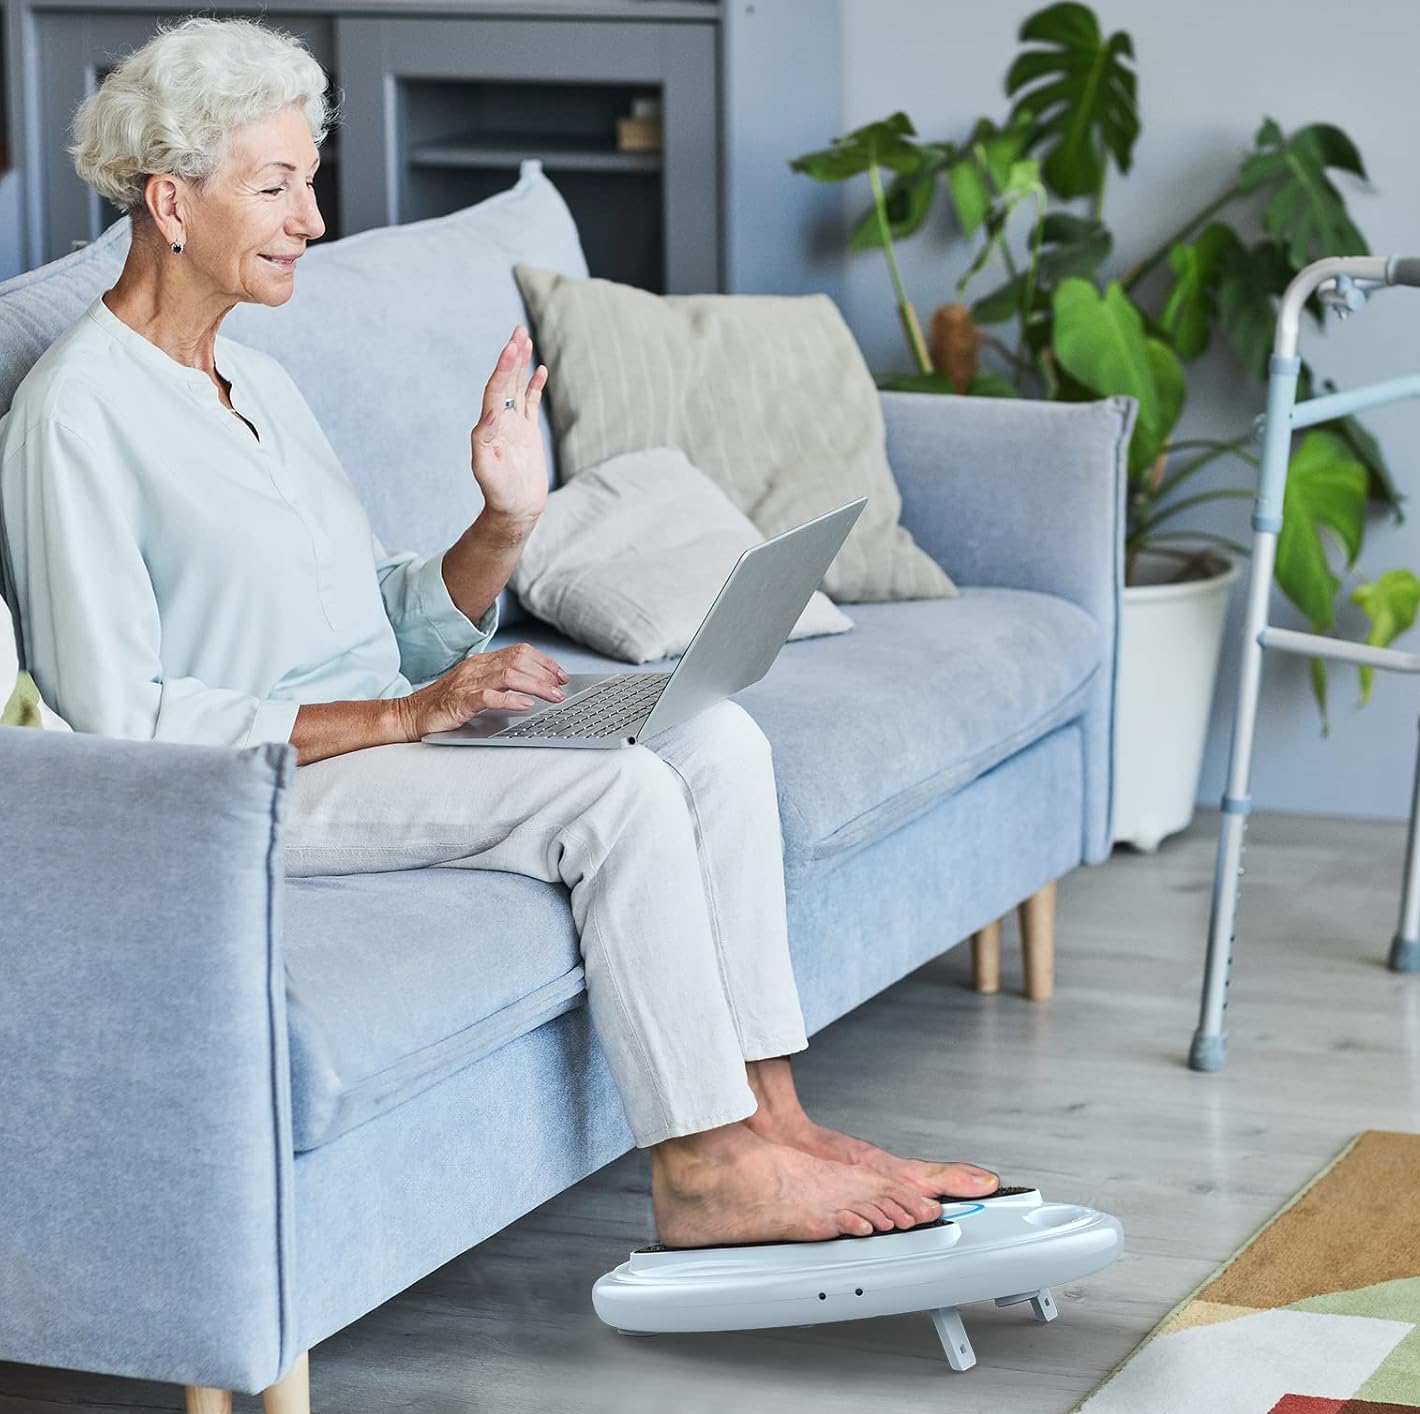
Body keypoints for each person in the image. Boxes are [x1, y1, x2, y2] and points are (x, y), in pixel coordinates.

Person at [0, 17, 998, 1249]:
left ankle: (770, 1122)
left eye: (308, 183)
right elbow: (122, 726)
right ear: (169, 201)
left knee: (715, 740)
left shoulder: (256, 381)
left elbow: (391, 615)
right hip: (259, 793)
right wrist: (407, 716)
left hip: (387, 740)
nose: (311, 219)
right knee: (620, 801)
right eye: (275, 187)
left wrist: (505, 516)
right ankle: (700, 1174)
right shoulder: (74, 420)